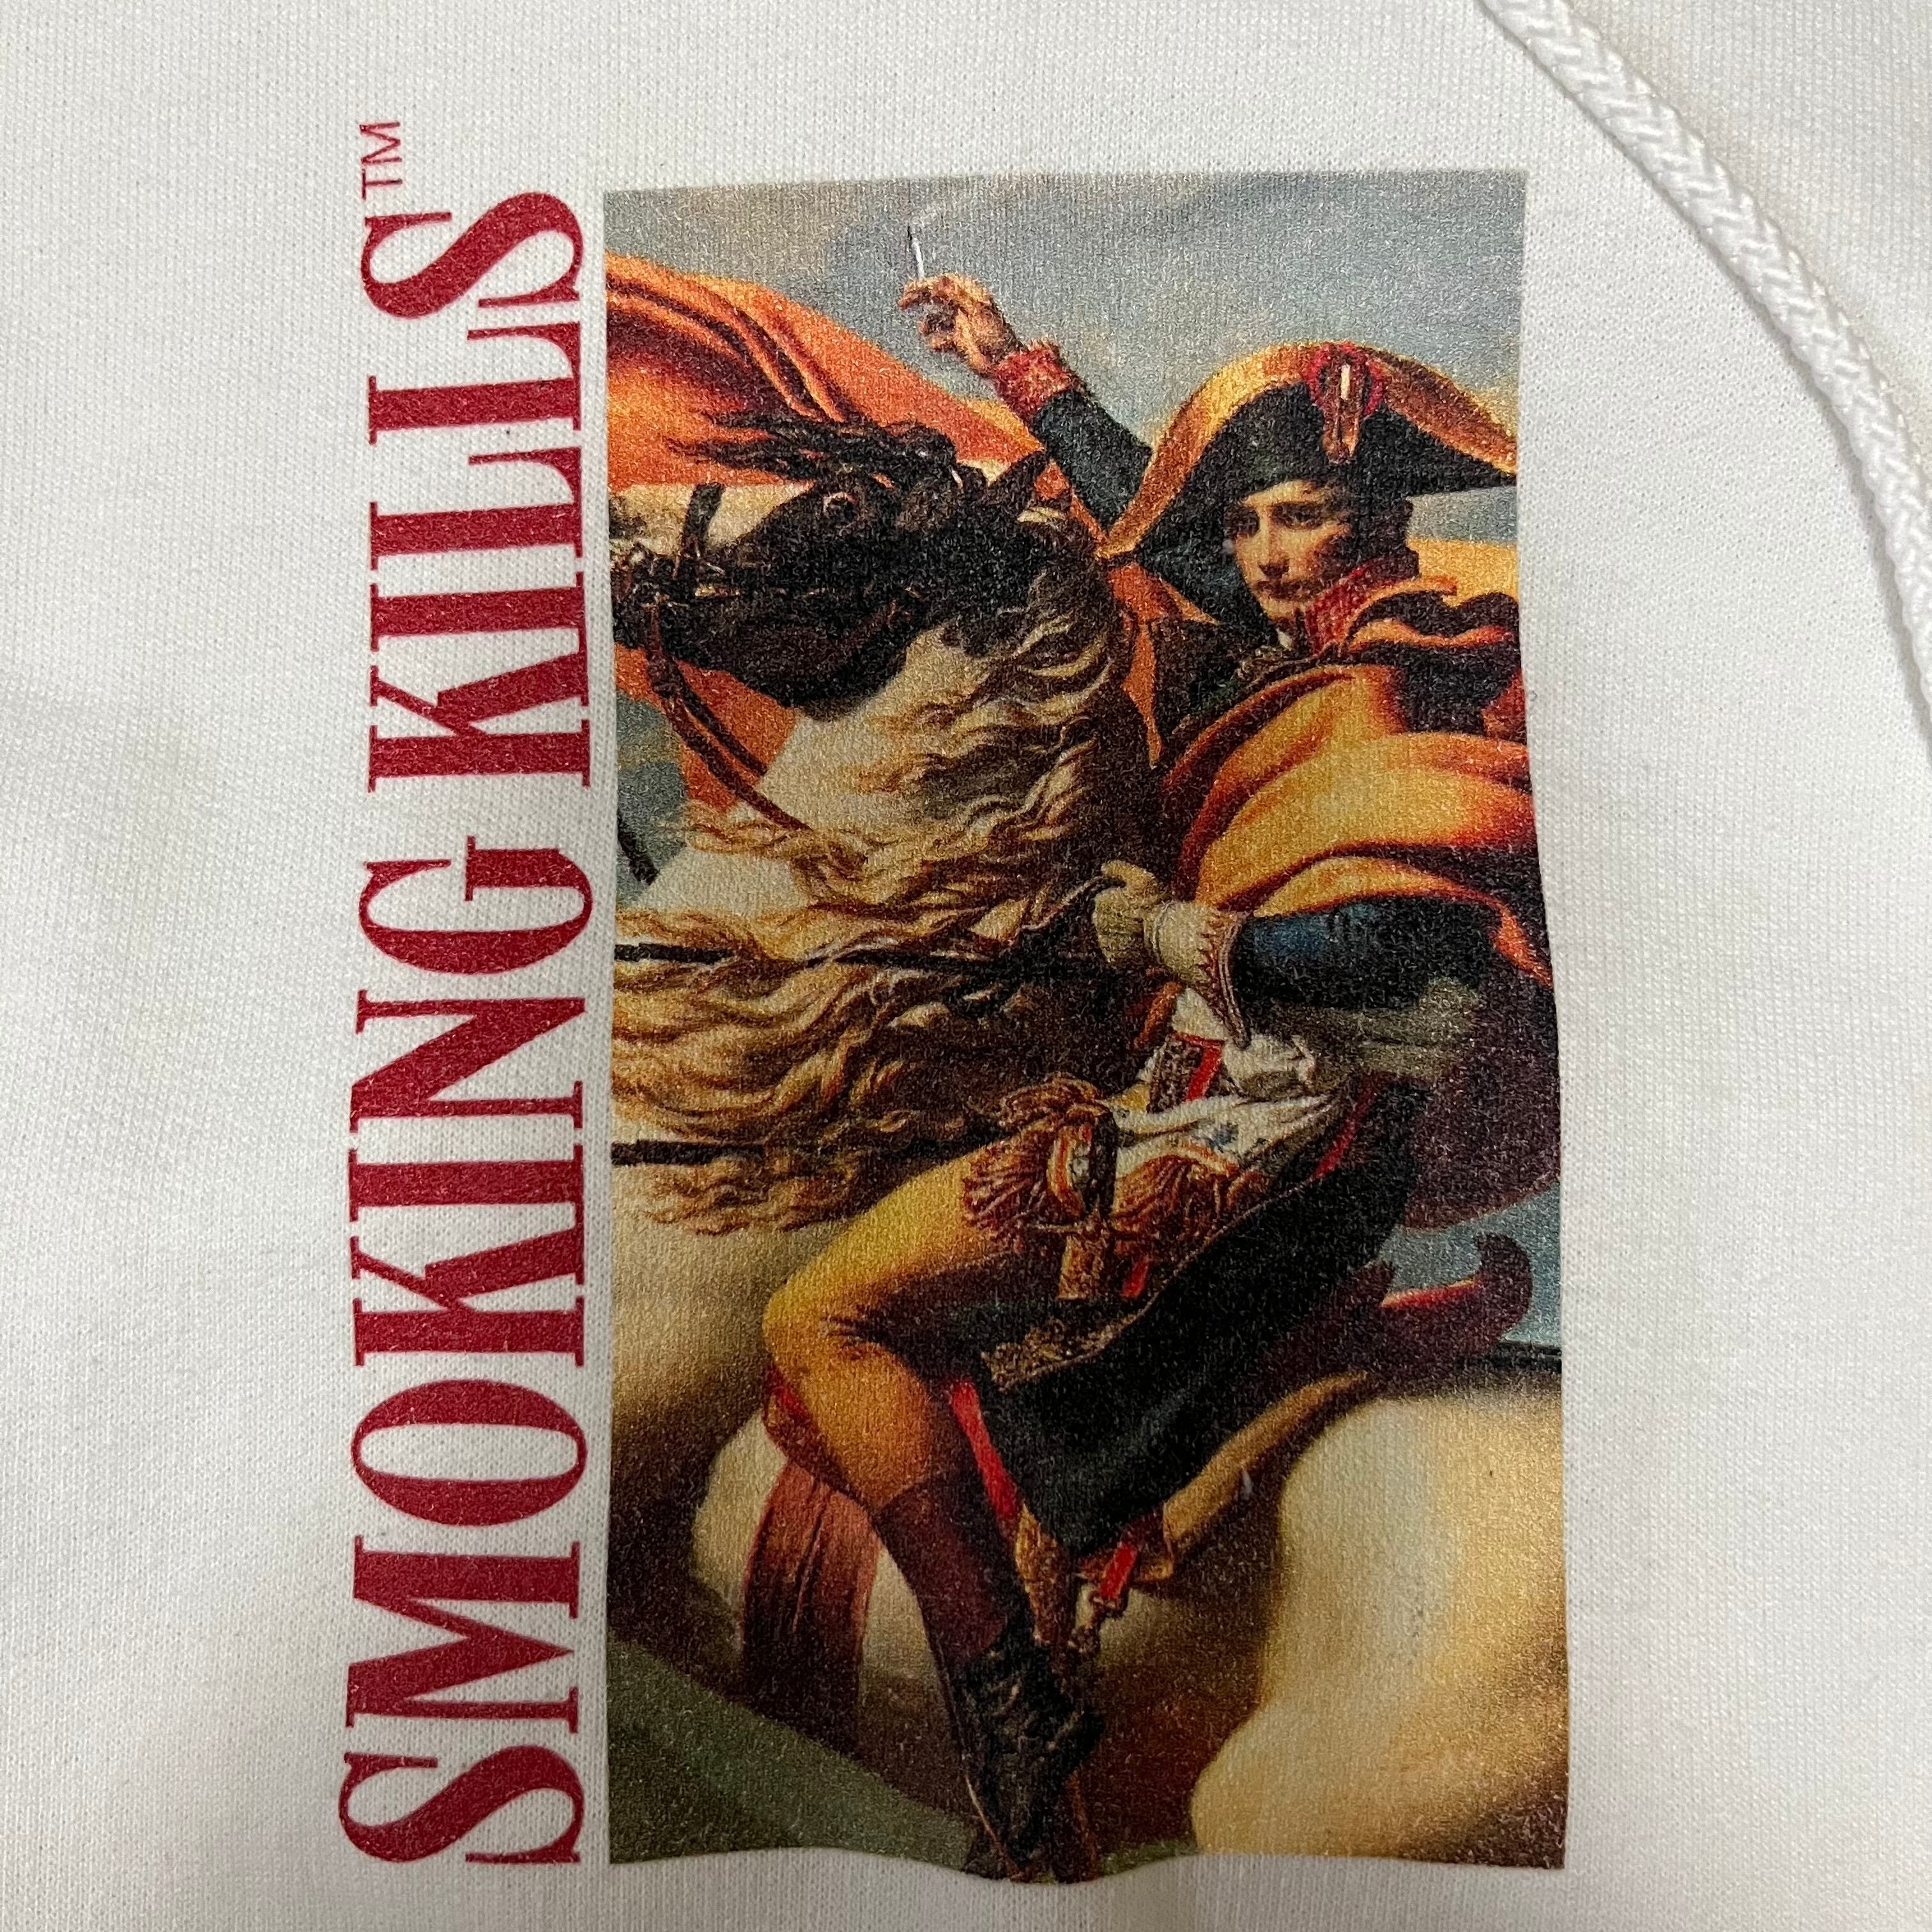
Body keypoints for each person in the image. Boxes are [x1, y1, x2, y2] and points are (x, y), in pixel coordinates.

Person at [761, 282, 1553, 1877]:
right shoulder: (1314, 646)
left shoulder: (1413, 674)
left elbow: (1409, 956)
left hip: (1273, 1136)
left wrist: (1171, 930)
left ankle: (1013, 1716)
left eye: (1300, 515)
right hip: (1232, 1095)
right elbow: (1160, 524)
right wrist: (1014, 367)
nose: (1262, 554)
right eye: (1249, 522)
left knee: (819, 1316)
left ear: (1376, 517)